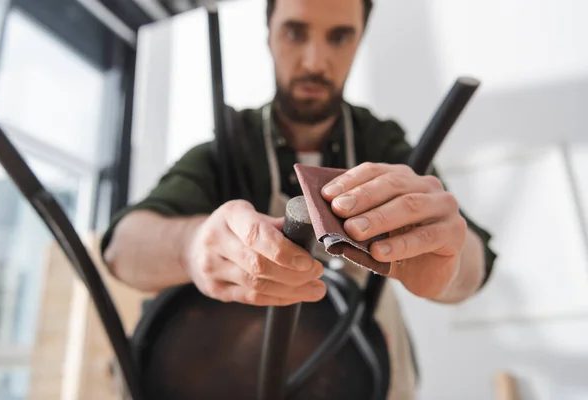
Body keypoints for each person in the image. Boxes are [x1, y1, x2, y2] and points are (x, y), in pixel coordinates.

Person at [101, 0, 497, 398]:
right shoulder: (229, 147)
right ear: (269, 34)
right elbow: (122, 249)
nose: (314, 61)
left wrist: (450, 264)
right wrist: (190, 246)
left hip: (358, 375)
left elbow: (472, 262)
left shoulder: (383, 144)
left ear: (360, 40)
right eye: (295, 32)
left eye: (339, 37)